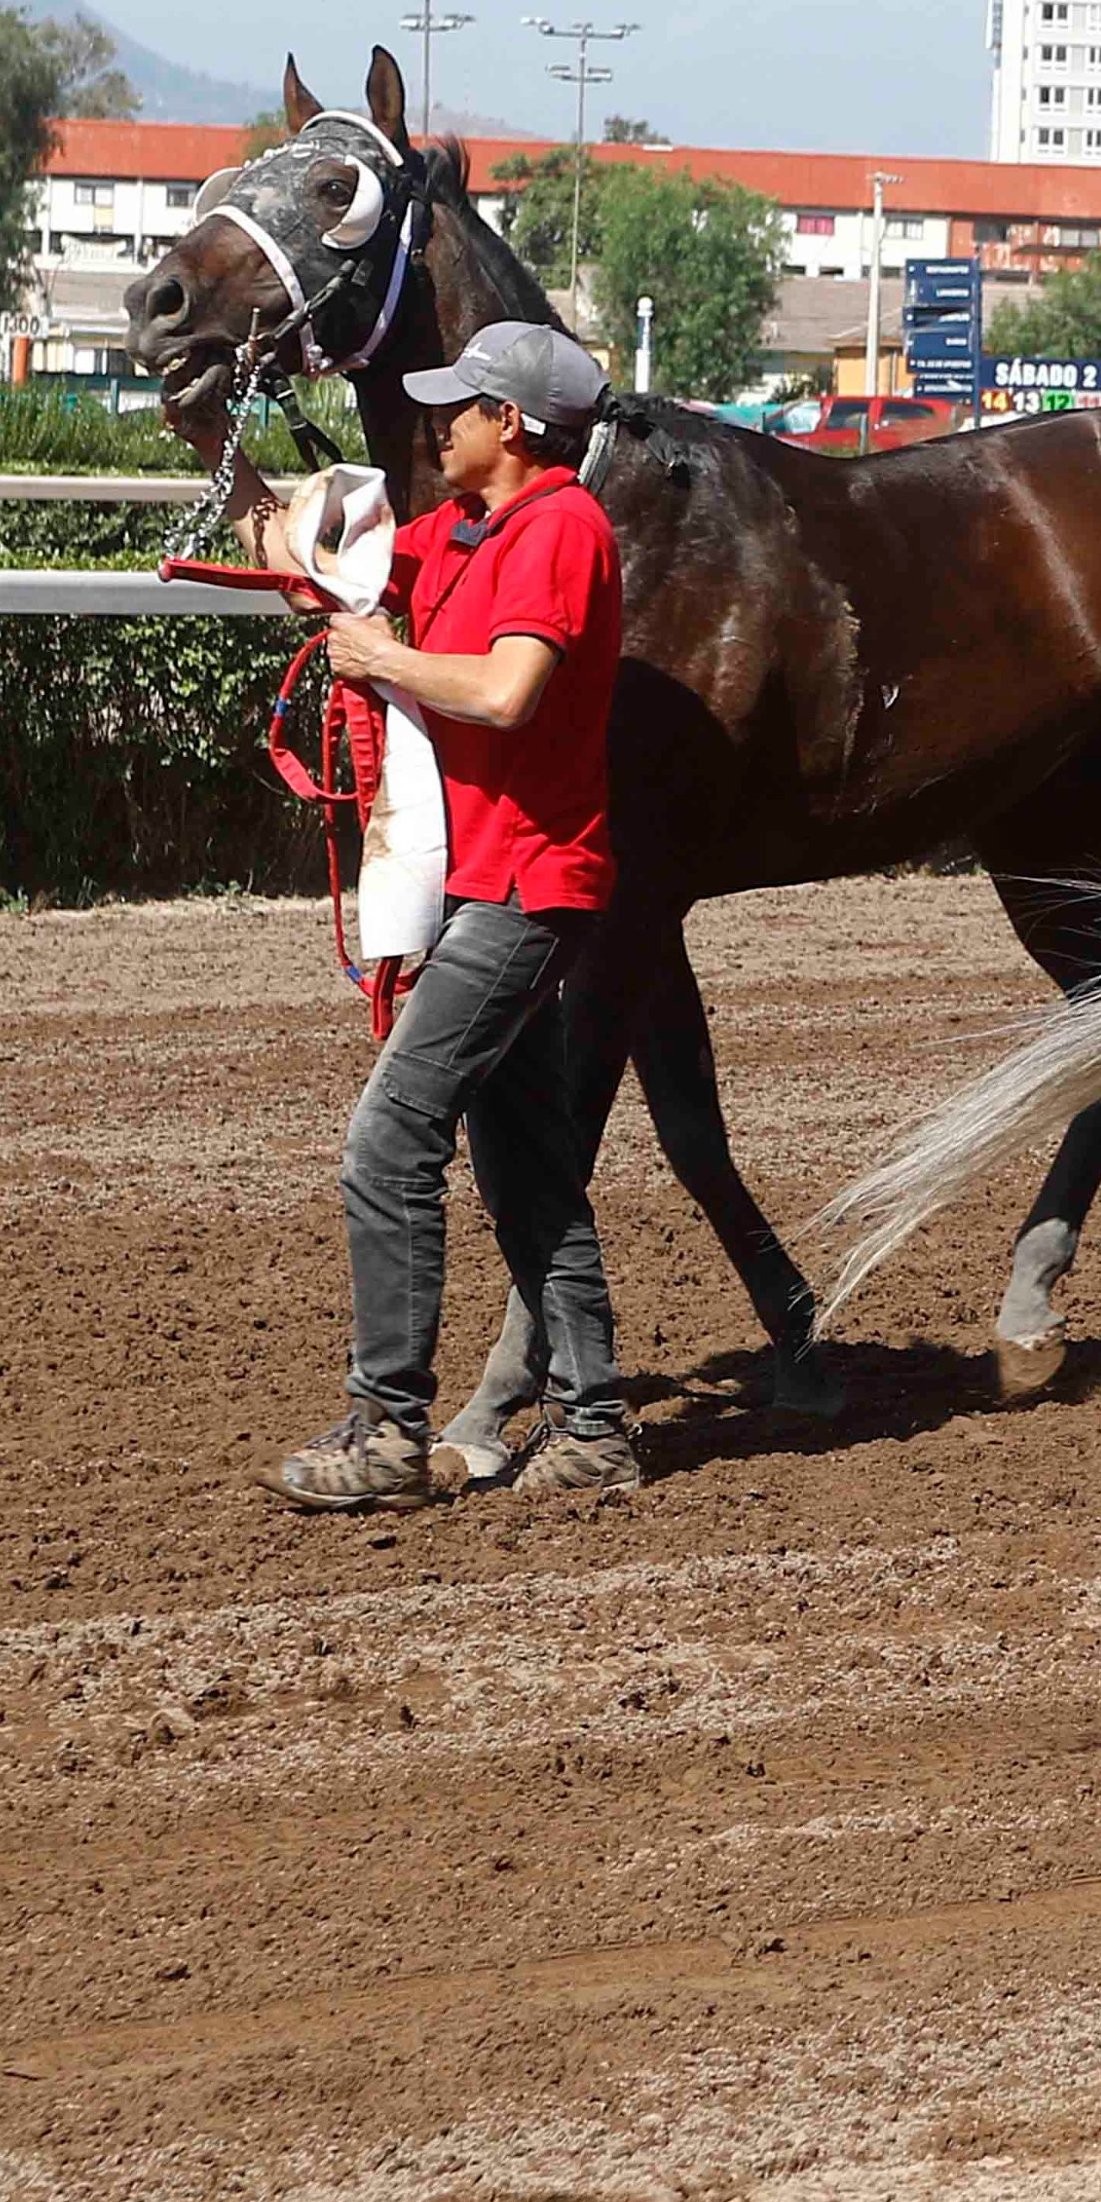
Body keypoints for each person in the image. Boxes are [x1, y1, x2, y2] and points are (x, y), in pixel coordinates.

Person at [259, 317, 639, 1509]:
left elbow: (506, 691)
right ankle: (596, 1429)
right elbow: (321, 557)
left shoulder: (561, 529)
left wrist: (383, 665)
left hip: (529, 889)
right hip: (491, 887)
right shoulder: (465, 532)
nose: (439, 423)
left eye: (460, 407)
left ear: (513, 425)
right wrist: (218, 443)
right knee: (525, 1170)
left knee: (391, 1138)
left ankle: (386, 1429)